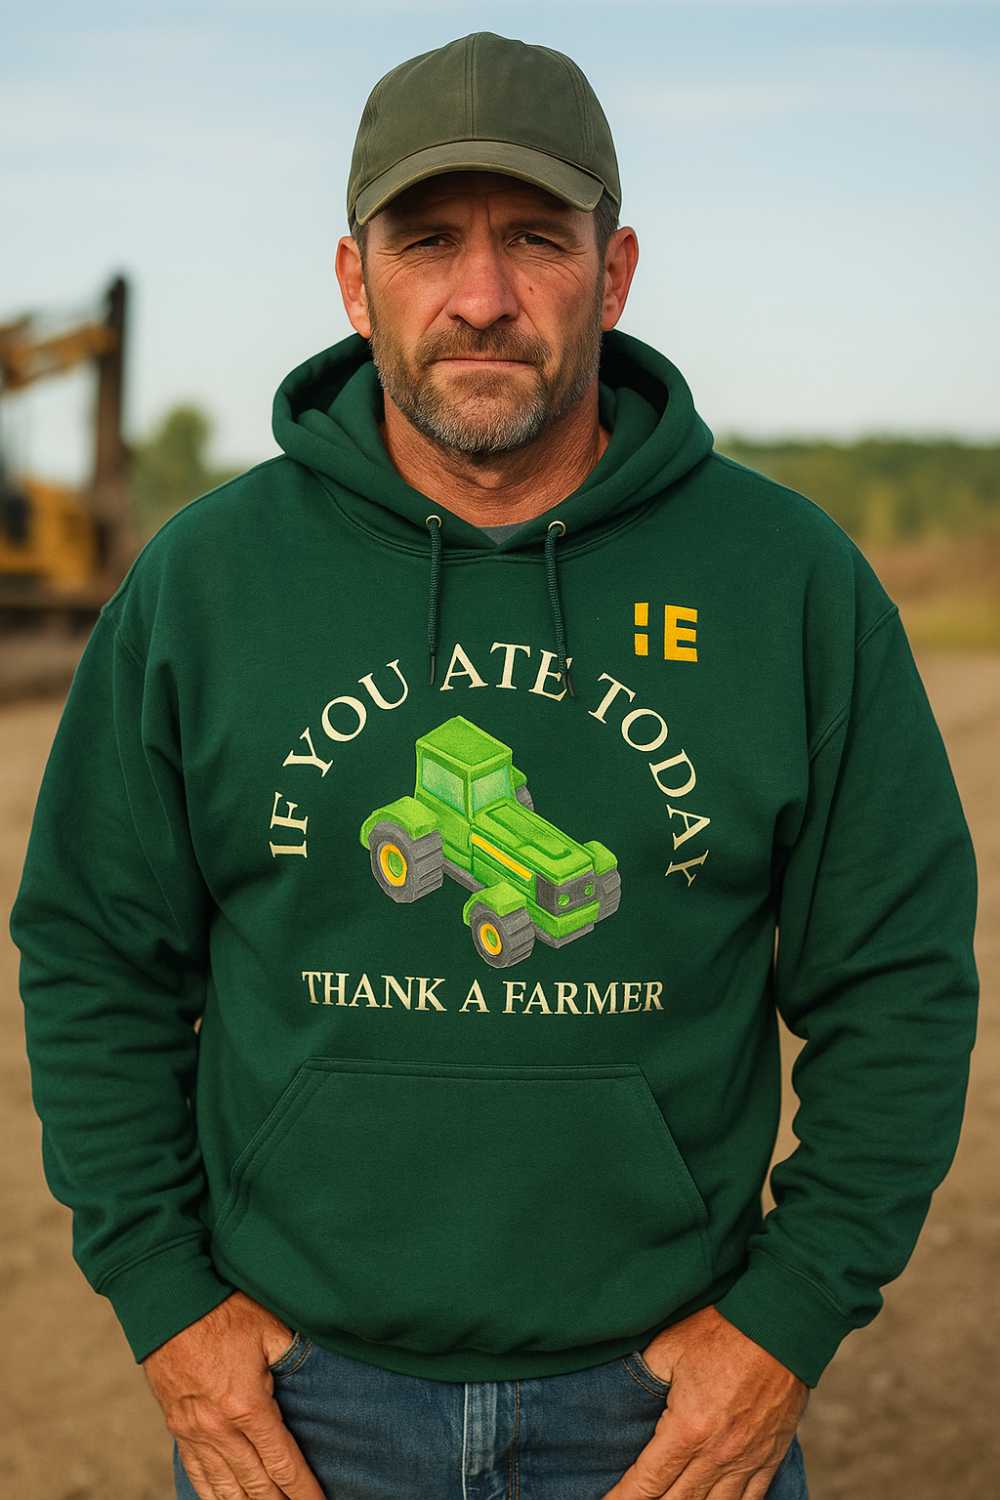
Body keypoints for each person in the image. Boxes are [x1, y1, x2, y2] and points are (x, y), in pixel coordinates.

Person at [8, 29, 979, 1500]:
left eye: (535, 238)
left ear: (617, 268)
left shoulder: (788, 583)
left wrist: (785, 1323)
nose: (482, 296)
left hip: (659, 1414)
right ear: (355, 278)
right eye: (429, 241)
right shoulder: (207, 584)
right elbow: (91, 953)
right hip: (303, 1406)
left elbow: (900, 976)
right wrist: (167, 1306)